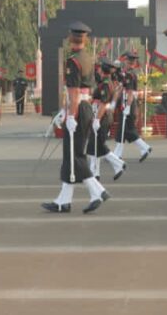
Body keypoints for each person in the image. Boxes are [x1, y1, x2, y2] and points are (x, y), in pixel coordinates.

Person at [42, 22, 110, 213]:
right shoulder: (88, 58)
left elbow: (73, 93)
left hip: (78, 109)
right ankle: (64, 201)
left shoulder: (73, 61)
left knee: (74, 155)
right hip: (86, 106)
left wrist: (70, 116)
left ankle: (98, 192)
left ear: (70, 38)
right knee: (71, 156)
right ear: (85, 39)